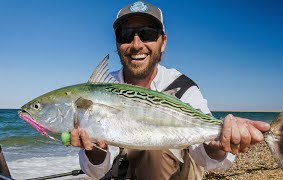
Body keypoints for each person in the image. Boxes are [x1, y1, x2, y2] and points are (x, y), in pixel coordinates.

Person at [70, 1, 270, 179]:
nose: (137, 44)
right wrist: (94, 151)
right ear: (117, 42)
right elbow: (95, 172)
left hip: (177, 172)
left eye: (147, 34)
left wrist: (216, 146)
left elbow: (207, 160)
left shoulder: (182, 87)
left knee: (152, 152)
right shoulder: (101, 89)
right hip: (124, 172)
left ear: (163, 42)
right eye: (126, 35)